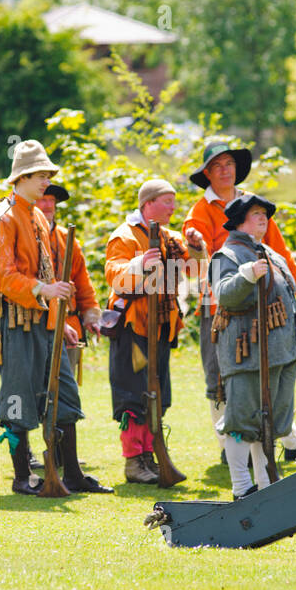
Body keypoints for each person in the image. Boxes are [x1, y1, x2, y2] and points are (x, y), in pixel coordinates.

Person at [183, 139, 296, 462]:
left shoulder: (252, 205)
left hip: (266, 305)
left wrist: (294, 289)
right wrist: (195, 244)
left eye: (229, 164)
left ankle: (289, 441)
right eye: (217, 165)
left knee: (271, 370)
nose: (225, 170)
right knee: (219, 378)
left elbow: (279, 251)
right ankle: (228, 448)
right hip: (218, 305)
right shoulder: (199, 212)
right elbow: (193, 257)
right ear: (207, 173)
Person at [0, 140, 109, 495]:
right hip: (18, 322)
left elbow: (53, 275)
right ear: (23, 176)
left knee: (65, 396)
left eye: (47, 175)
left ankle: (71, 474)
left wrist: (62, 314)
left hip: (47, 323)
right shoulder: (4, 217)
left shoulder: (39, 218)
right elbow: (2, 276)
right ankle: (20, 477)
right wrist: (42, 291)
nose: (47, 182)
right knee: (17, 400)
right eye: (42, 175)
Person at [105, 178, 206, 484]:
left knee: (158, 395)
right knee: (133, 397)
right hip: (134, 329)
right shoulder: (124, 236)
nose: (173, 207)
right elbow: (115, 279)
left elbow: (196, 271)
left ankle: (151, 456)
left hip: (161, 327)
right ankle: (134, 462)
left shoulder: (170, 237)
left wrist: (197, 248)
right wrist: (138, 263)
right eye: (167, 201)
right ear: (147, 204)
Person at [210, 194, 296, 500]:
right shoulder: (226, 256)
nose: (263, 218)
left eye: (265, 213)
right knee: (242, 418)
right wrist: (247, 275)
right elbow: (224, 294)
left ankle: (265, 481)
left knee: (272, 418)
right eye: (255, 213)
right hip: (248, 353)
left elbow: (289, 299)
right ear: (240, 221)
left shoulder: (272, 255)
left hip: (280, 353)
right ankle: (241, 486)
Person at [35, 182, 102, 378]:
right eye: (42, 200)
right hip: (38, 323)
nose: (47, 205)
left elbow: (82, 282)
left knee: (65, 388)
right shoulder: (27, 237)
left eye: (51, 201)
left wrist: (91, 317)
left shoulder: (67, 238)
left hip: (70, 323)